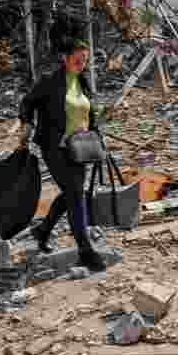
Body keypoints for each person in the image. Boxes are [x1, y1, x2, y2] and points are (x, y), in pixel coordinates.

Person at [19, 37, 106, 273]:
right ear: (64, 58)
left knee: (71, 193)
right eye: (78, 59)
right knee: (75, 194)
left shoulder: (83, 81)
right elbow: (27, 103)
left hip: (80, 149)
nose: (82, 63)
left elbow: (90, 113)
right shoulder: (50, 81)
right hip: (54, 148)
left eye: (85, 60)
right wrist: (26, 124)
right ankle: (85, 250)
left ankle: (43, 231)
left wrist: (97, 137)